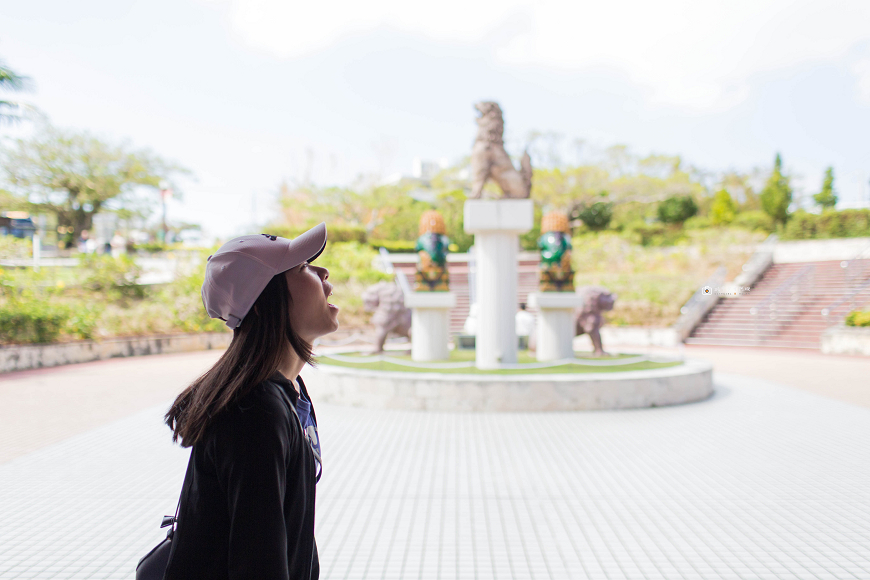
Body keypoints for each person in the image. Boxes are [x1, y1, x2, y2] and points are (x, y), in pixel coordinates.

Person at [162, 223, 338, 580]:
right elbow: (258, 563)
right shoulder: (253, 412)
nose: (323, 273)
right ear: (262, 304)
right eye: (303, 268)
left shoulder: (287, 393)